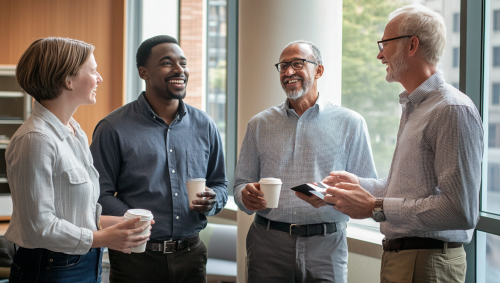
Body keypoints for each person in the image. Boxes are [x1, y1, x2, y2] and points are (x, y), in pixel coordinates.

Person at [297, 4, 483, 283]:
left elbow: (460, 211)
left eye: (385, 44)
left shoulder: (451, 110)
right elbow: (413, 188)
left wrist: (376, 206)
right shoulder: (414, 107)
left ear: (412, 45)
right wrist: (357, 186)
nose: (379, 54)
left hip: (427, 263)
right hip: (407, 259)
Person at [4, 37, 151, 283]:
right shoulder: (35, 139)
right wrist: (104, 238)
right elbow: (39, 226)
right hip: (51, 268)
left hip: (80, 262)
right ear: (67, 80)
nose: (99, 78)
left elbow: (72, 214)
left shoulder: (75, 131)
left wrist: (119, 224)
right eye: (93, 71)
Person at [233, 40, 377, 283]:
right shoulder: (259, 124)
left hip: (327, 245)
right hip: (268, 243)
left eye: (298, 64)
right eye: (283, 66)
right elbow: (240, 184)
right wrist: (244, 195)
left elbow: (366, 189)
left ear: (319, 70)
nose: (289, 72)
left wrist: (331, 196)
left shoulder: (350, 123)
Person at [90, 35, 228, 283]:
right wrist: (134, 217)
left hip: (192, 257)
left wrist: (213, 200)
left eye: (183, 63)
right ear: (144, 72)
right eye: (167, 63)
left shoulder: (205, 125)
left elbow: (220, 184)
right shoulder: (113, 127)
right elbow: (98, 194)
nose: (179, 70)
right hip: (136, 258)